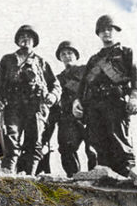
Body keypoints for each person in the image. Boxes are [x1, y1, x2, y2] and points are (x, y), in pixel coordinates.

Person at [75, 15, 137, 178]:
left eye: (109, 29)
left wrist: (134, 97)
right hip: (94, 104)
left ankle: (127, 175)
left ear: (116, 31)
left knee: (118, 138)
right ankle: (106, 175)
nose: (106, 33)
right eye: (102, 30)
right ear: (98, 34)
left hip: (115, 101)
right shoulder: (94, 59)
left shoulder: (126, 52)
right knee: (97, 141)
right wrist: (77, 102)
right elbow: (83, 84)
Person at [0, 25, 61, 174]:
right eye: (22, 36)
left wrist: (52, 96)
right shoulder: (8, 60)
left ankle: (29, 177)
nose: (25, 39)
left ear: (34, 41)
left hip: (36, 107)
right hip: (13, 105)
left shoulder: (41, 63)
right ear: (17, 41)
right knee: (11, 139)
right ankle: (8, 173)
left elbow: (55, 84)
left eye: (29, 37)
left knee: (34, 142)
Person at [38, 41, 97, 177]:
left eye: (70, 53)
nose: (67, 56)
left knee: (93, 147)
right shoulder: (58, 79)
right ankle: (74, 177)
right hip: (67, 119)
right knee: (65, 148)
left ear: (76, 55)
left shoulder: (85, 71)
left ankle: (95, 177)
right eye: (63, 54)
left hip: (88, 115)